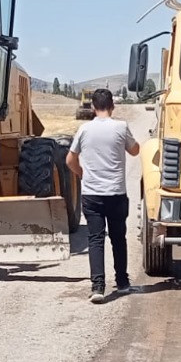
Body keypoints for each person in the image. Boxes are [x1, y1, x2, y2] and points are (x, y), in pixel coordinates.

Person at [66, 88, 141, 303]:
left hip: (92, 193)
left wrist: (83, 175)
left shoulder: (84, 129)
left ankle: (97, 286)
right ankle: (123, 282)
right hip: (116, 193)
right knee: (118, 238)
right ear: (112, 106)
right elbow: (135, 151)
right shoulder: (121, 127)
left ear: (92, 107)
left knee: (96, 239)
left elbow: (70, 160)